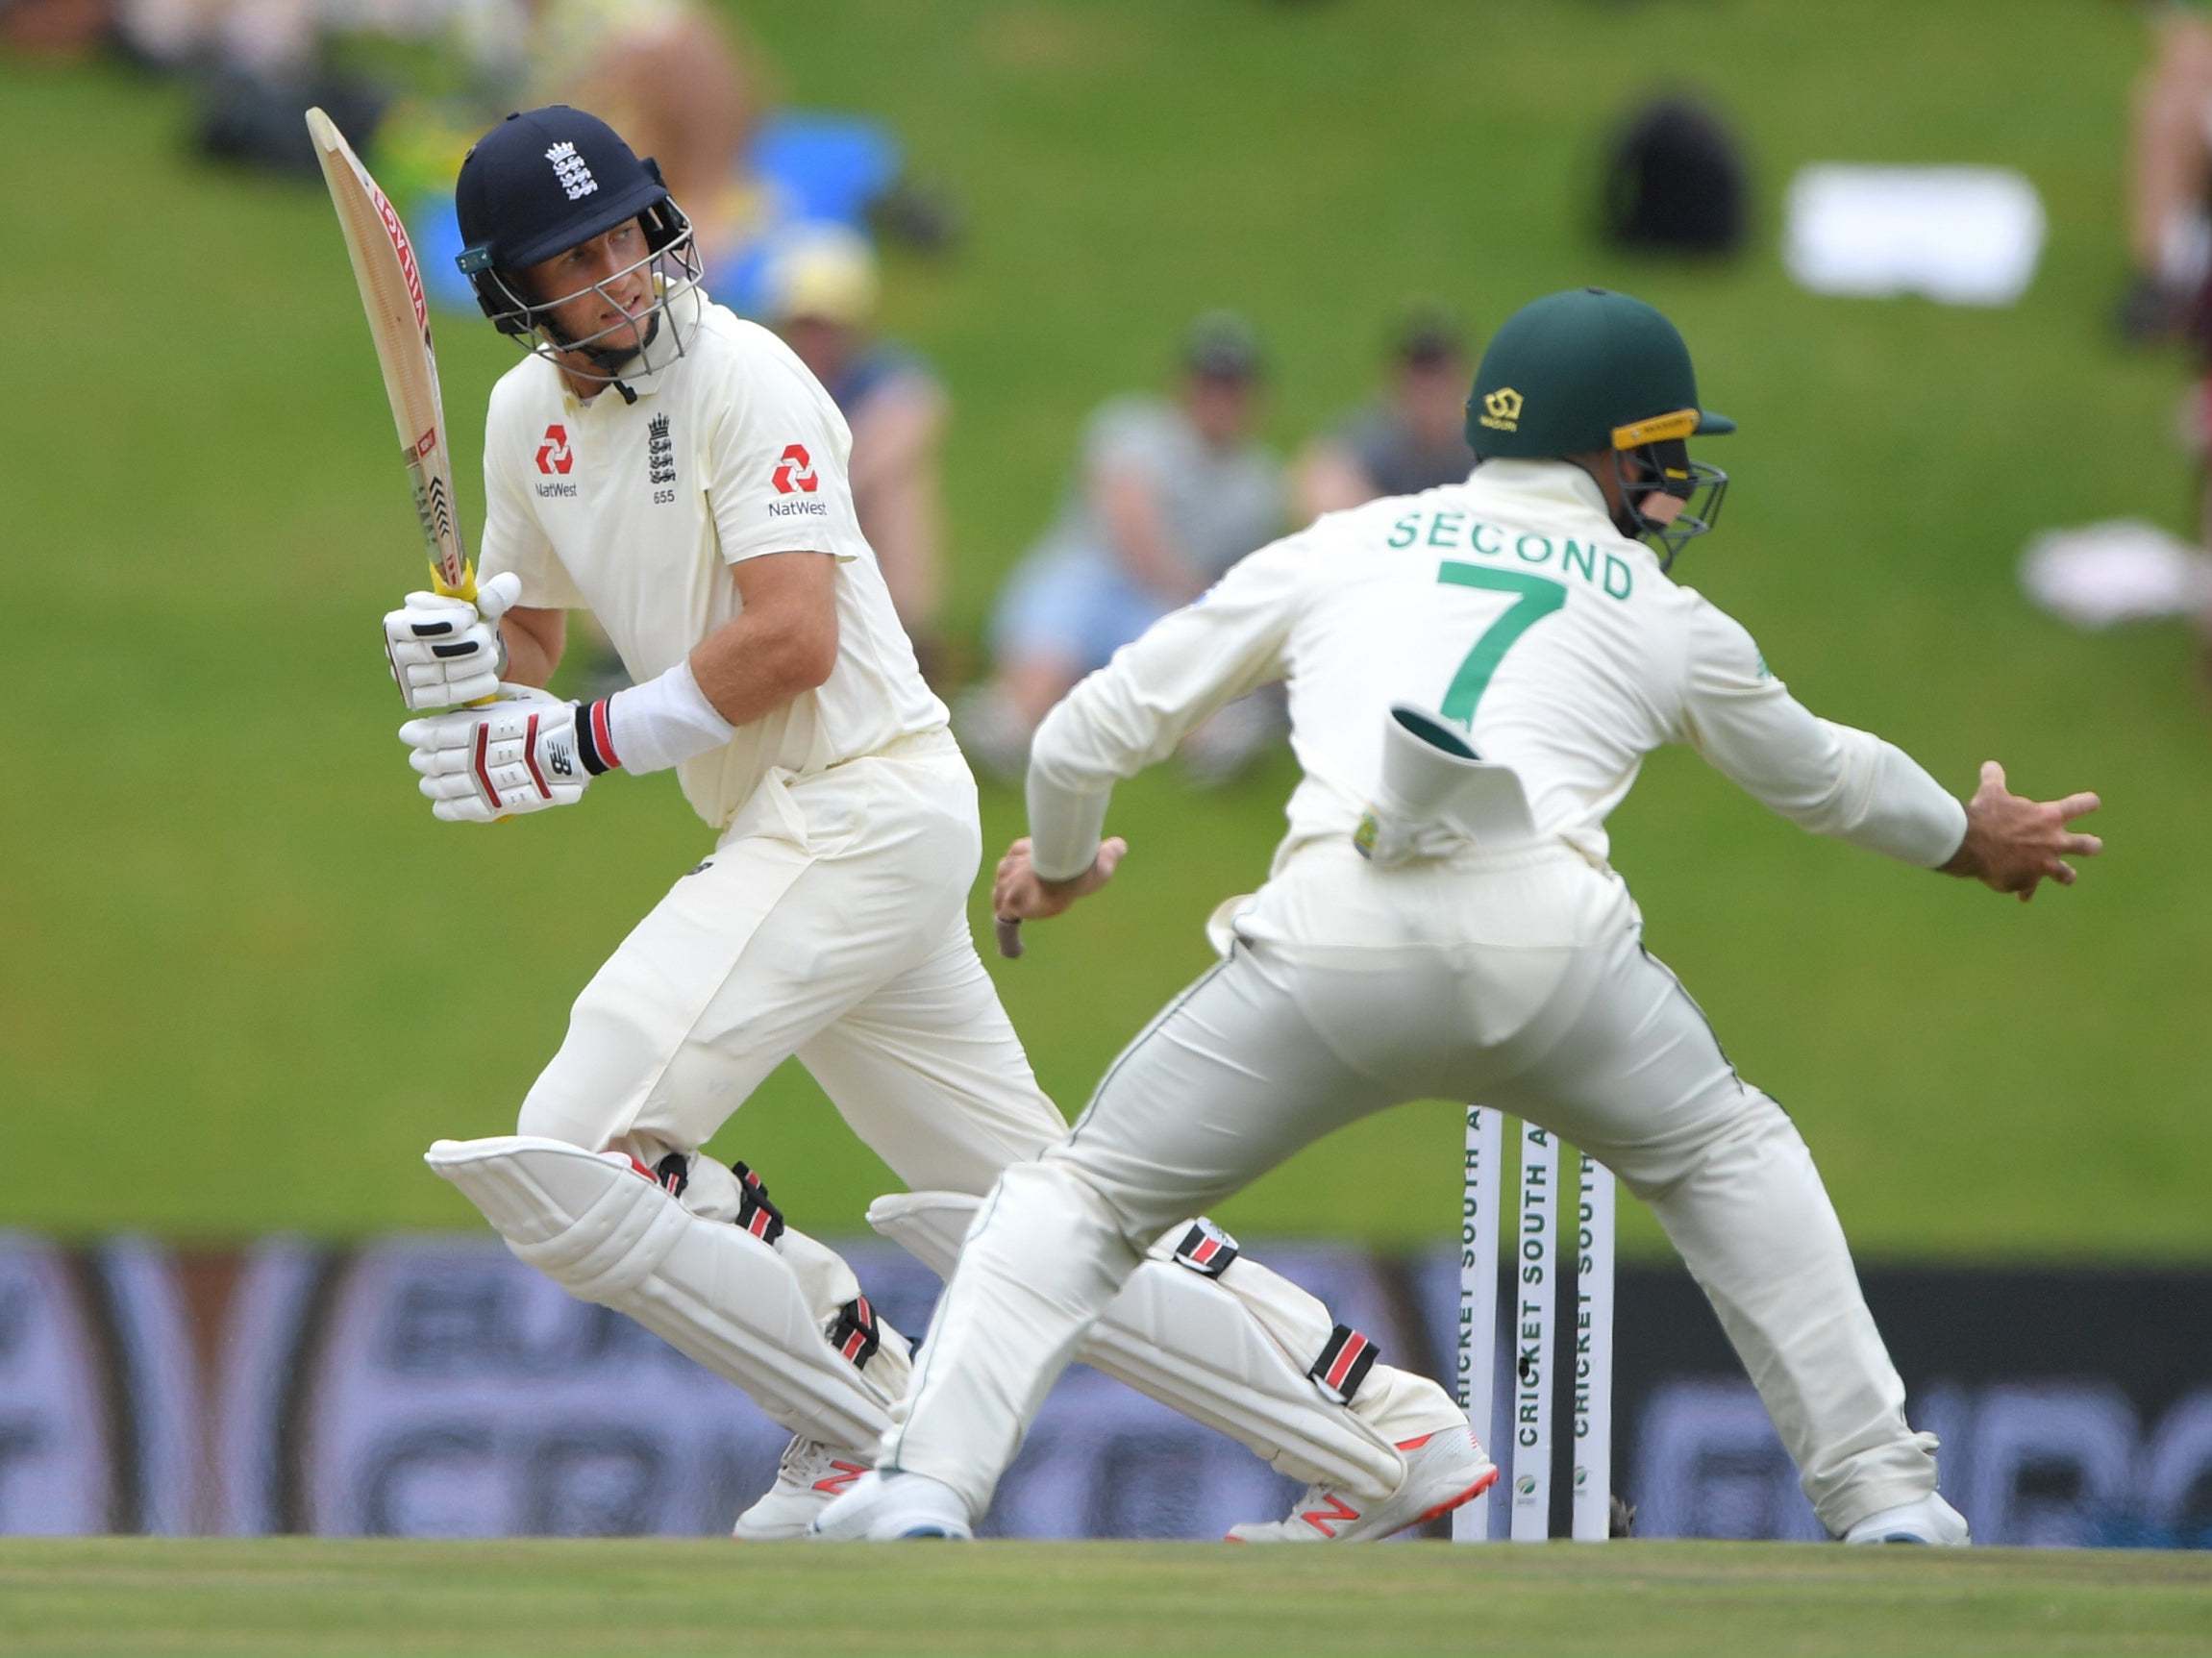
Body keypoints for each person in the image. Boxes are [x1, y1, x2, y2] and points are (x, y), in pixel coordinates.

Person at [815, 286, 2104, 1545]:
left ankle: (926, 1487)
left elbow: (1091, 722)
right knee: (1730, 1158)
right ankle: (1886, 1501)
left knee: (1078, 1204)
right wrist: (1971, 839)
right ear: (1601, 450)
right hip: (1558, 955)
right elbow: (1828, 779)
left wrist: (1056, 860)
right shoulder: (1659, 610)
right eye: (1658, 454)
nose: (1669, 483)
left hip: (1331, 940)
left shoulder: (1347, 543)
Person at [381, 105, 1482, 1543]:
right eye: (579, 260)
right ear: (518, 294)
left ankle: (863, 1409)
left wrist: (580, 741)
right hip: (799, 833)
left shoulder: (749, 376)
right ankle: (1389, 1429)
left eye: (626, 235)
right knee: (1047, 1211)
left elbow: (794, 640)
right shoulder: (525, 417)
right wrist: (465, 656)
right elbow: (529, 632)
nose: (625, 275)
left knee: (575, 1151)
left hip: (859, 809)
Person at [957, 314, 1285, 780]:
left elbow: (1249, 576)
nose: (1219, 399)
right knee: (1055, 643)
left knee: (1185, 664)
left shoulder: (1258, 482)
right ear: (1184, 385)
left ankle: (1215, 737)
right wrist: (1190, 594)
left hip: (1165, 603)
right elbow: (1128, 519)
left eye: (1232, 387)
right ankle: (1008, 718)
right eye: (1210, 383)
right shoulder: (1133, 427)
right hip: (1093, 575)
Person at [760, 225, 950, 681]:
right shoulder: (762, 376)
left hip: (832, 499)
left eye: (826, 326)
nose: (815, 339)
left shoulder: (883, 377)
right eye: (803, 324)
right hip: (771, 512)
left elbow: (917, 412)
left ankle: (909, 640)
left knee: (900, 488)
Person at [1291, 308, 1476, 522]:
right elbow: (1318, 482)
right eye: (1419, 374)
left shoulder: (1483, 438)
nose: (1429, 387)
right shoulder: (1375, 433)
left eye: (1438, 374)